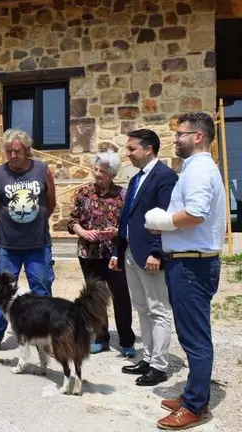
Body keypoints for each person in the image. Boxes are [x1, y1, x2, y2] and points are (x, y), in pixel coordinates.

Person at [145, 112, 226, 430]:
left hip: (192, 265)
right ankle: (195, 394)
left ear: (198, 136)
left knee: (195, 337)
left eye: (180, 134)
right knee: (191, 333)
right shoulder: (195, 167)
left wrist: (162, 221)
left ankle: (195, 406)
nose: (175, 139)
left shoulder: (200, 169)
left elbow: (195, 213)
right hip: (190, 261)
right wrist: (165, 228)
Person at [0, 128, 56, 357]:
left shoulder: (42, 169)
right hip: (8, 245)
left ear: (26, 151)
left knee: (41, 290)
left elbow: (50, 202)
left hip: (38, 244)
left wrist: (36, 220)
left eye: (17, 151)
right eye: (9, 151)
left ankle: (45, 337)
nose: (13, 155)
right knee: (1, 291)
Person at [110, 129, 177, 387]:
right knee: (141, 307)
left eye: (132, 148)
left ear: (148, 149)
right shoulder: (137, 178)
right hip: (131, 252)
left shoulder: (165, 177)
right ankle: (147, 358)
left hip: (150, 255)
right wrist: (118, 251)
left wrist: (157, 252)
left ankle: (159, 365)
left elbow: (167, 217)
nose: (127, 153)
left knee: (158, 309)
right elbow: (126, 217)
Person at [68, 150, 136, 357]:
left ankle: (126, 341)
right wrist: (83, 232)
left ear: (113, 174)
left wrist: (117, 231)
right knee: (95, 297)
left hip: (114, 253)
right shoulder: (83, 192)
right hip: (89, 254)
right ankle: (101, 337)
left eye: (103, 171)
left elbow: (131, 223)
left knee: (121, 296)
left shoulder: (123, 195)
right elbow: (72, 221)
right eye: (96, 169)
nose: (97, 174)